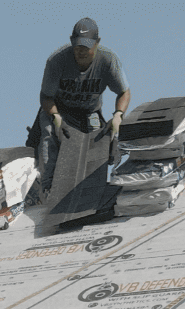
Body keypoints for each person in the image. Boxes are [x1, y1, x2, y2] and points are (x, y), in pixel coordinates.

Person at [38, 17, 131, 196]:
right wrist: (56, 117)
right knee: (49, 132)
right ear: (72, 42)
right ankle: (48, 187)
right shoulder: (56, 61)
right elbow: (45, 97)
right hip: (60, 111)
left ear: (97, 43)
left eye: (87, 46)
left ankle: (96, 187)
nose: (81, 51)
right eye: (78, 46)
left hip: (90, 112)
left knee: (103, 140)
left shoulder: (108, 60)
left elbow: (124, 92)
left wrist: (118, 115)